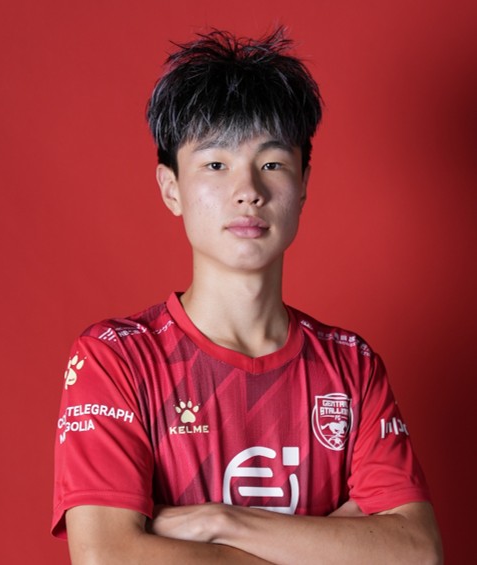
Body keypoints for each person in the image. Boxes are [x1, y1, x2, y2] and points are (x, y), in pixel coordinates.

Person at [52, 28, 443, 564]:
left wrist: (219, 521)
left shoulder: (351, 367)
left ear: (303, 184)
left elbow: (416, 552)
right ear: (171, 188)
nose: (248, 191)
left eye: (272, 164)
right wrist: (332, 545)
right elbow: (106, 557)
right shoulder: (116, 358)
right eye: (216, 164)